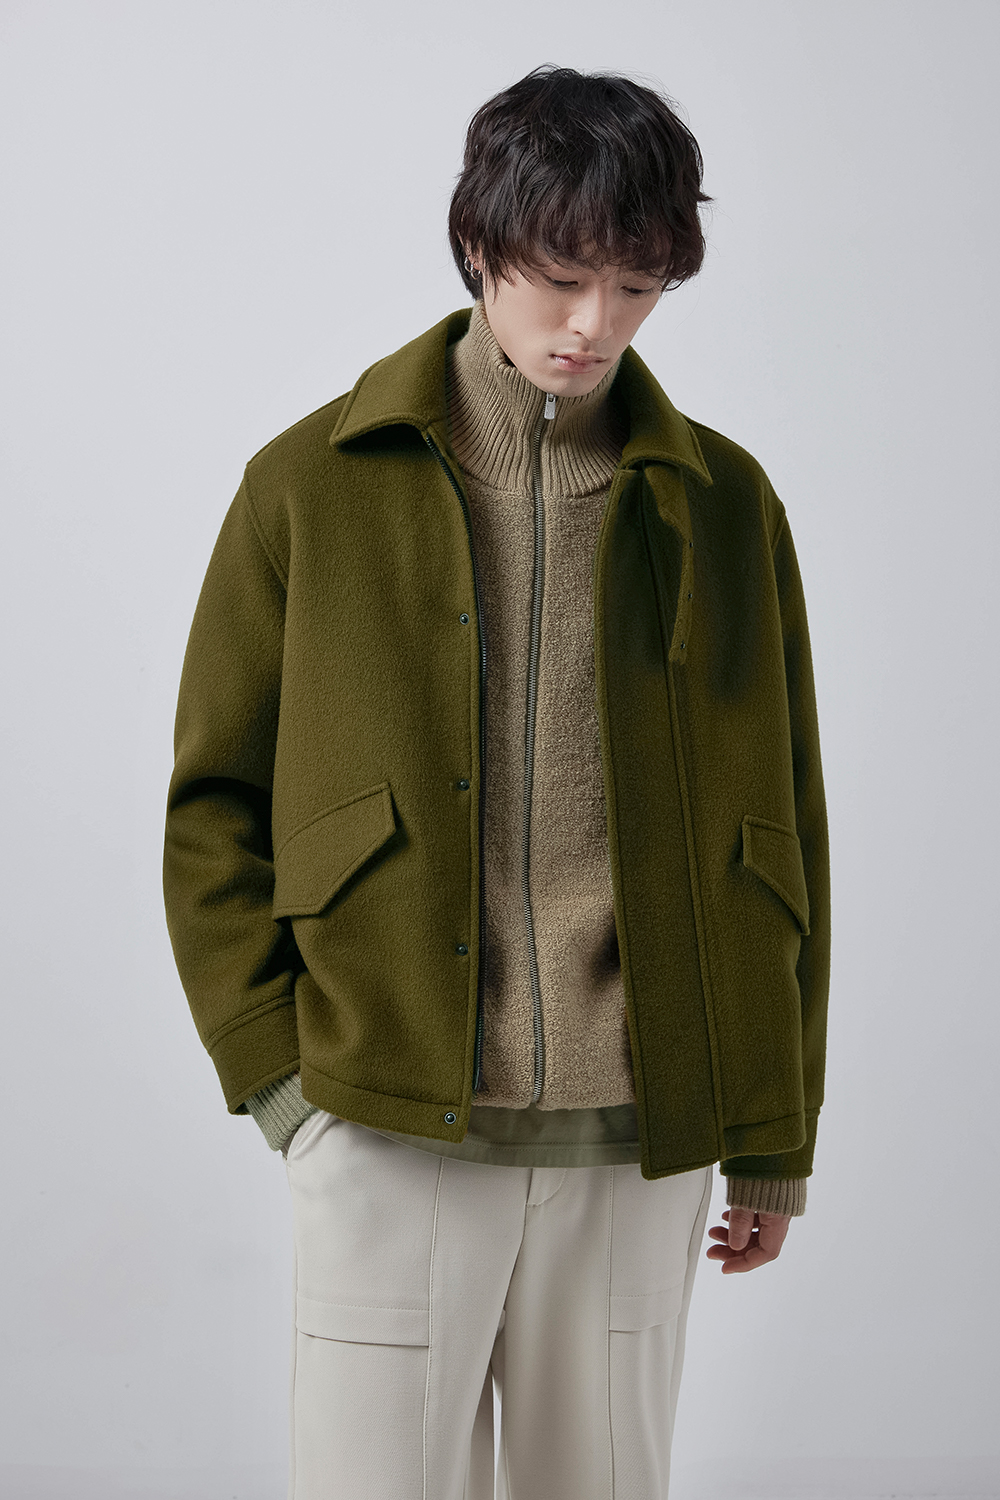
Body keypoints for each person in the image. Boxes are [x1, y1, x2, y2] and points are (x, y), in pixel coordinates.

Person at [163, 64, 830, 1500]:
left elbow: (781, 833)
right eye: (565, 277)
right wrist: (281, 1084)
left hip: (643, 1134)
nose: (596, 325)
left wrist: (771, 1138)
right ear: (480, 244)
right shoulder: (310, 484)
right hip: (386, 1115)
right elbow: (213, 809)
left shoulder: (724, 506)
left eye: (639, 289)